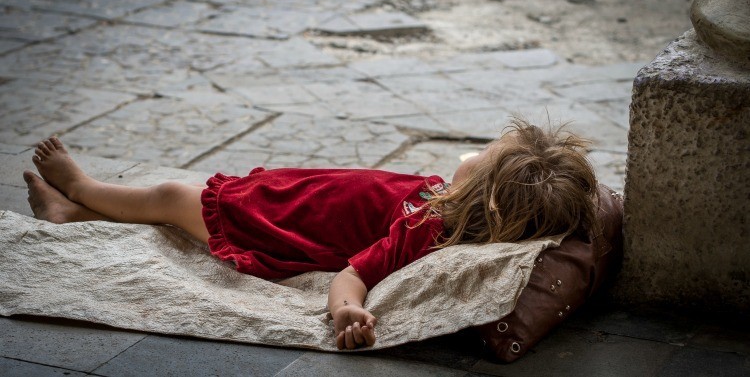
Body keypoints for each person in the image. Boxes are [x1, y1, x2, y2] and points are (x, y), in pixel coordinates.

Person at [22, 118, 599, 351]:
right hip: (297, 193)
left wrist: (346, 311)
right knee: (182, 201)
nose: (478, 149)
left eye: (487, 155)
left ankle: (82, 189)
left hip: (280, 222)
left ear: (480, 195)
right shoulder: (448, 204)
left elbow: (354, 274)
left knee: (173, 199)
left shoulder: (428, 227)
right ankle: (75, 217)